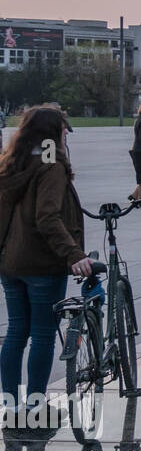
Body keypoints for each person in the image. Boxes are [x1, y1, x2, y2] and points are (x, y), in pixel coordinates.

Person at [0, 106, 93, 420]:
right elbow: (47, 217)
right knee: (41, 334)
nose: (66, 133)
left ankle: (11, 404)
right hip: (41, 263)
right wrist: (74, 254)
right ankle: (35, 405)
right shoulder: (51, 164)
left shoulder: (14, 160)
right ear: (55, 133)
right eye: (64, 129)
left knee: (16, 332)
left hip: (10, 264)